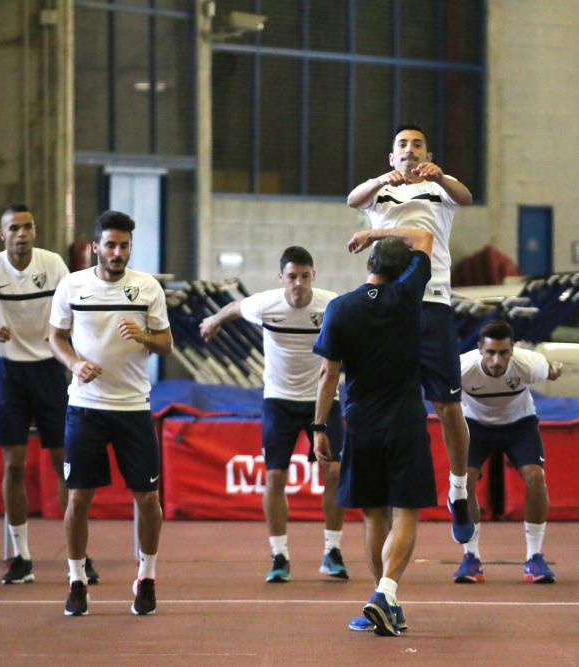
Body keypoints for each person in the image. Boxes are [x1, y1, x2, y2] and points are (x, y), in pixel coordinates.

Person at [347, 124, 475, 544]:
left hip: (432, 300)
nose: (409, 149)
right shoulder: (379, 191)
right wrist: (384, 180)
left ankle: (458, 490)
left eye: (417, 144)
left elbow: (466, 197)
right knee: (392, 403)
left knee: (448, 406)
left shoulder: (440, 189)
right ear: (391, 156)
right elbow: (352, 199)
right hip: (386, 300)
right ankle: (387, 494)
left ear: (427, 152)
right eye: (401, 144)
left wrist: (440, 176)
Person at [0, 204, 98, 586]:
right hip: (9, 372)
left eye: (28, 227)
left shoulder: (53, 264)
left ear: (34, 232)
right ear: (2, 234)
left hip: (49, 370)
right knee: (14, 465)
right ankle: (21, 556)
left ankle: (80, 555)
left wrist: (69, 341)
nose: (22, 234)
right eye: (14, 228)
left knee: (64, 463)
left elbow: (78, 307)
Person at [312, 226, 435, 637]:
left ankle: (382, 600)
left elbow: (328, 374)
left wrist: (318, 428)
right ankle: (386, 593)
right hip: (405, 420)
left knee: (372, 515)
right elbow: (423, 236)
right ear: (403, 272)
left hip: (360, 423)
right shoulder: (407, 295)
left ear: (368, 264)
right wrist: (376, 231)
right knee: (405, 512)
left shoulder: (340, 308)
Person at [48, 211, 172, 617]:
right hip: (86, 407)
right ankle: (77, 580)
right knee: (79, 497)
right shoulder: (73, 286)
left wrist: (144, 336)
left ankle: (147, 577)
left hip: (134, 407)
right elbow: (56, 337)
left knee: (148, 497)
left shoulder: (147, 288)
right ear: (95, 246)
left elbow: (166, 345)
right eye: (111, 245)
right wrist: (74, 364)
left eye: (124, 246)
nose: (117, 253)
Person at [199, 246, 348, 583]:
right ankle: (279, 555)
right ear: (281, 278)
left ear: (314, 276)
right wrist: (213, 321)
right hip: (279, 400)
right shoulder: (266, 304)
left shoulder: (331, 305)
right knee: (275, 477)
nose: (298, 284)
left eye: (304, 276)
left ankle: (332, 550)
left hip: (322, 400)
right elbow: (236, 307)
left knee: (334, 472)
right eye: (292, 277)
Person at [451, 320, 561, 585]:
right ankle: (471, 558)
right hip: (474, 425)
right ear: (479, 350)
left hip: (518, 424)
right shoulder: (462, 368)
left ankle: (534, 556)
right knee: (467, 482)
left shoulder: (528, 363)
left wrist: (554, 371)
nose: (496, 360)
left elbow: (551, 371)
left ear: (513, 350)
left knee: (535, 478)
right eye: (490, 353)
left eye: (503, 353)